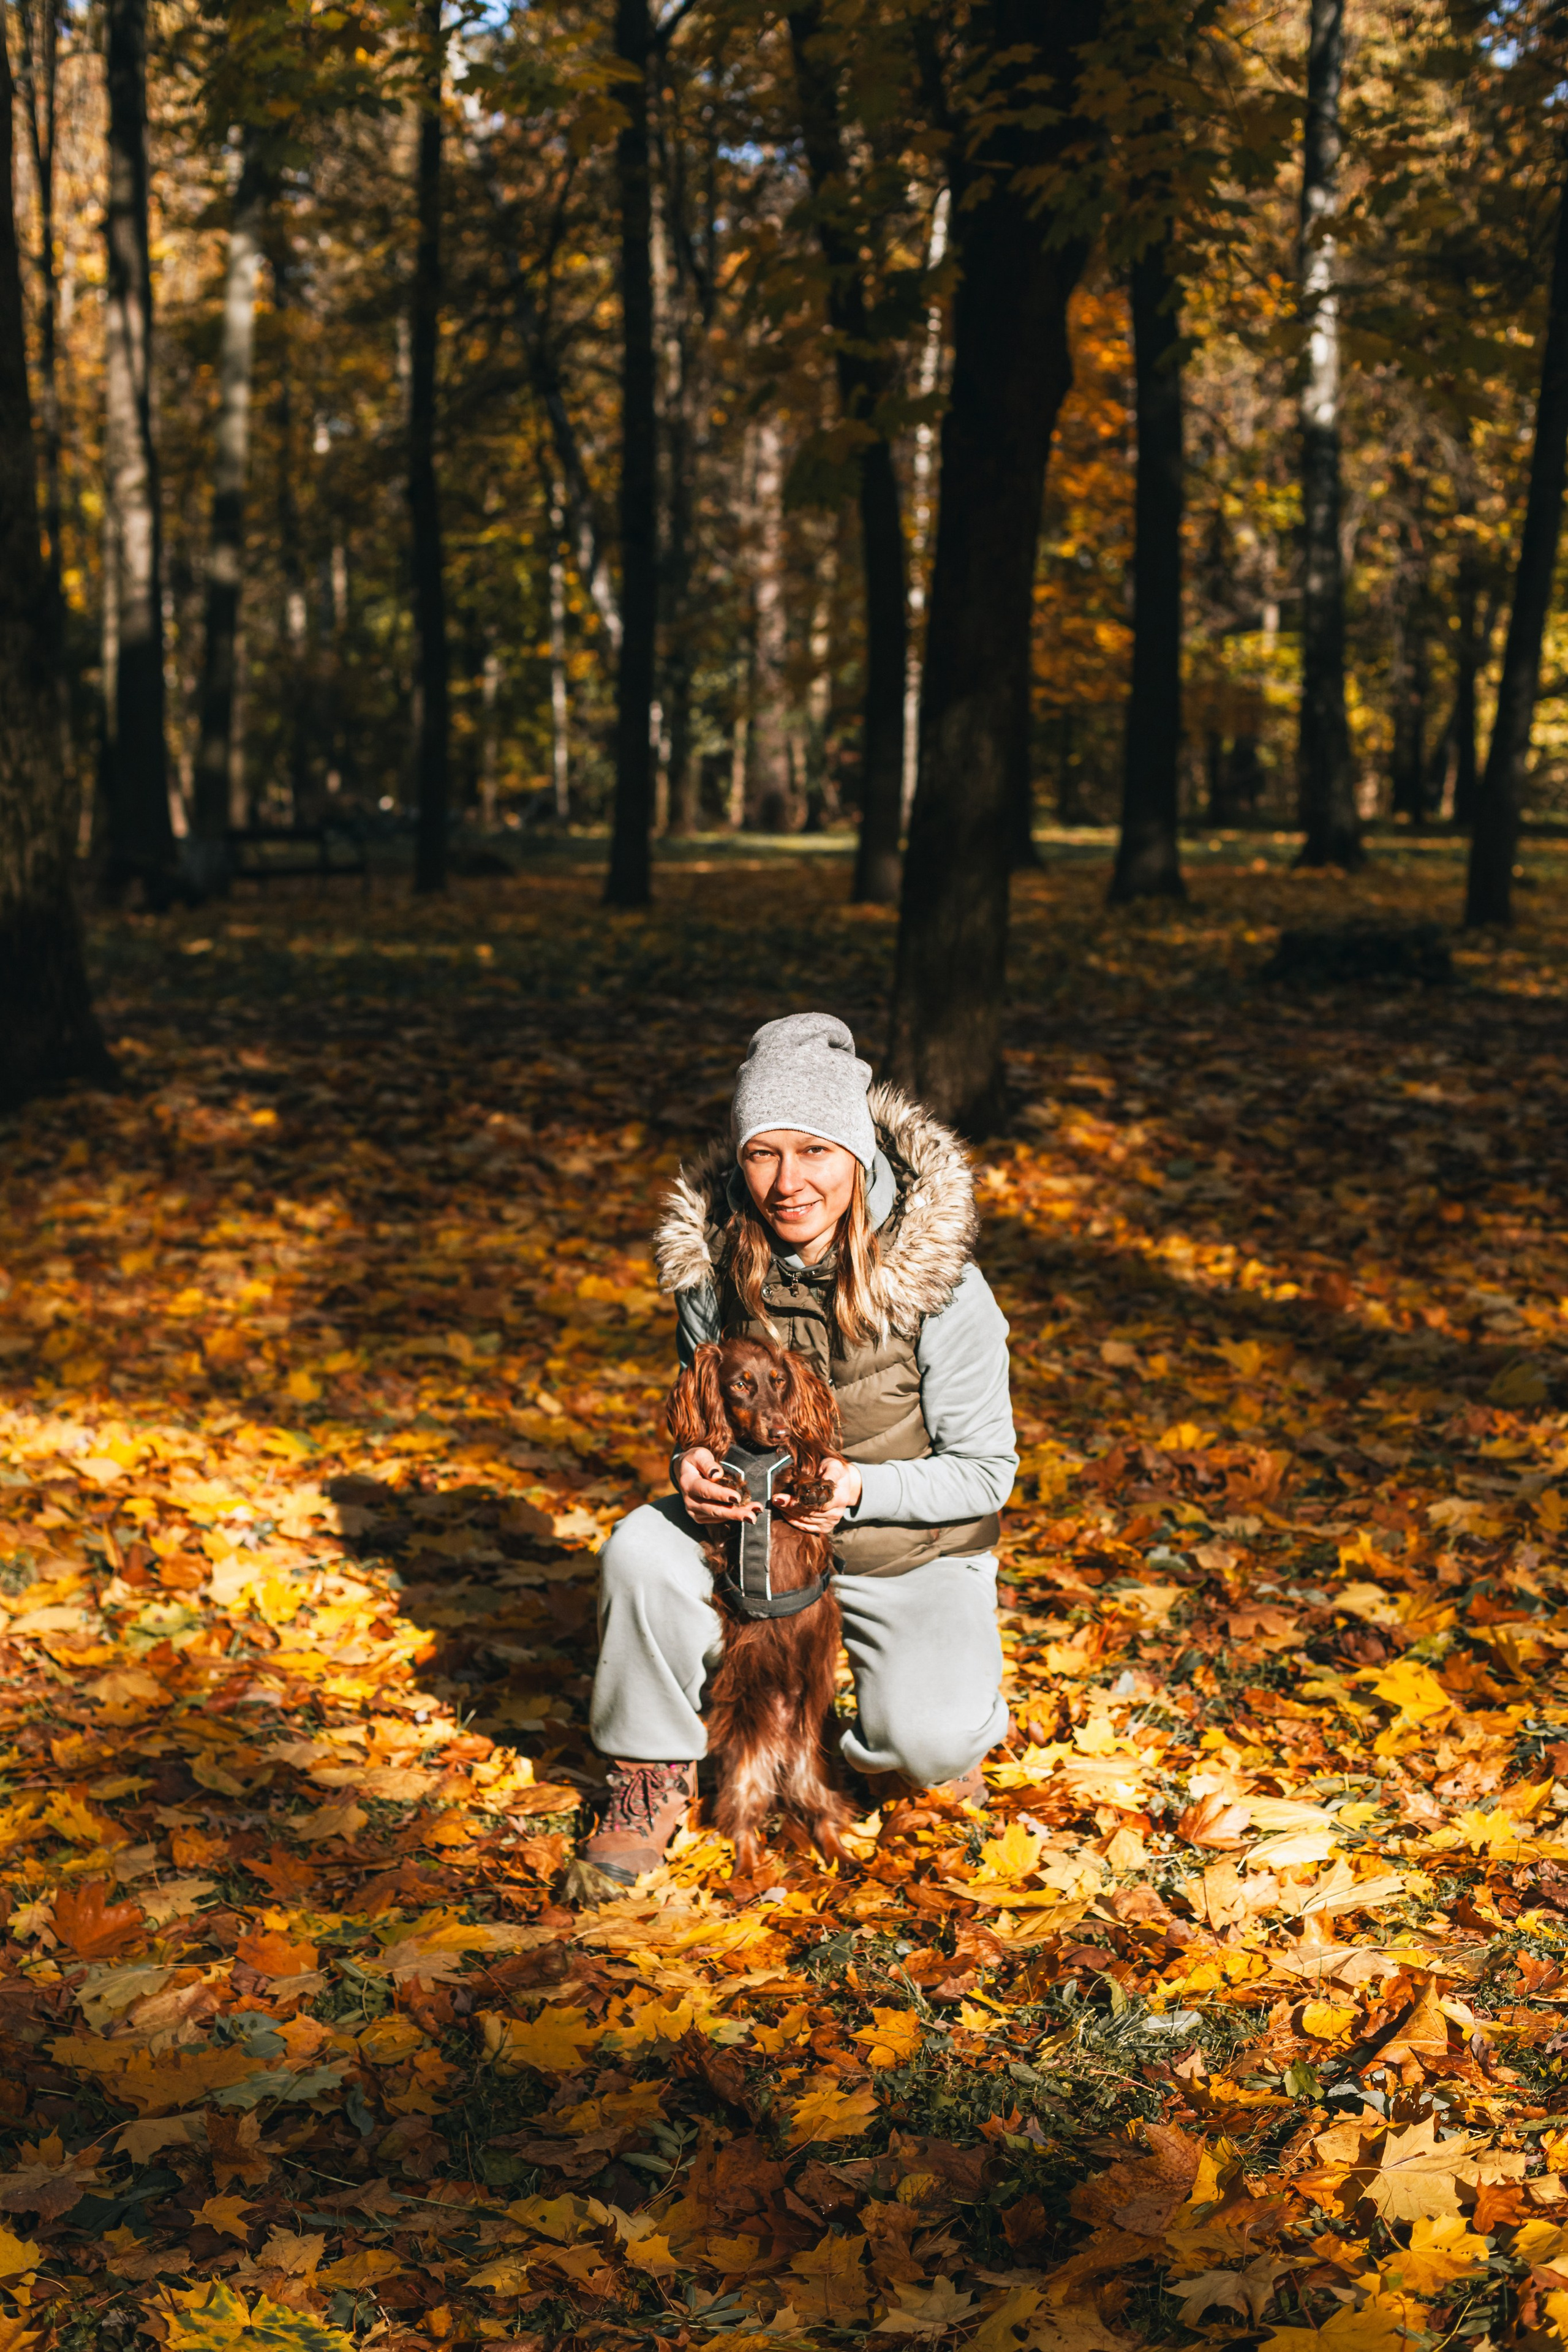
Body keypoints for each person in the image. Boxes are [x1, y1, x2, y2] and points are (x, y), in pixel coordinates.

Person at [580, 1012, 1017, 1884]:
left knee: (927, 1743)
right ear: (739, 1161)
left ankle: (919, 1728)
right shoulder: (712, 1266)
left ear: (857, 1154)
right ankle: (651, 1771)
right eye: (763, 1154)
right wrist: (689, 1468)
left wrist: (861, 1489)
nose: (788, 1183)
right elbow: (700, 1416)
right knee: (639, 1548)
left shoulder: (943, 1285)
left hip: (901, 1550)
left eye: (814, 1150)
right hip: (753, 1543)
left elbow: (986, 1472)